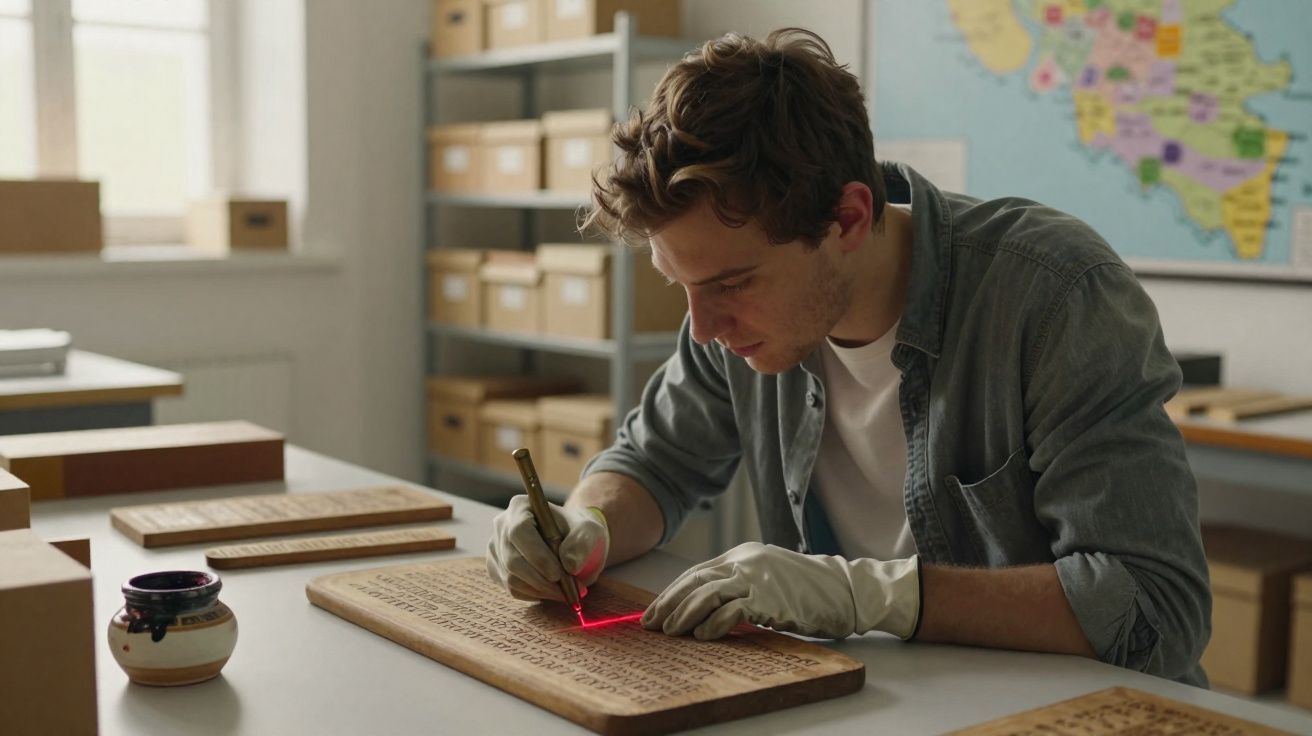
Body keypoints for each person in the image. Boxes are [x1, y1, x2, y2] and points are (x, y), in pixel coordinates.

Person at [486, 27, 1211, 686]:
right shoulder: (731, 314)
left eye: (731, 284)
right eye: (682, 285)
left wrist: (868, 594)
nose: (702, 328)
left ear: (849, 218)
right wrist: (588, 526)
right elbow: (652, 465)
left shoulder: (1056, 296)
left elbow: (1155, 605)